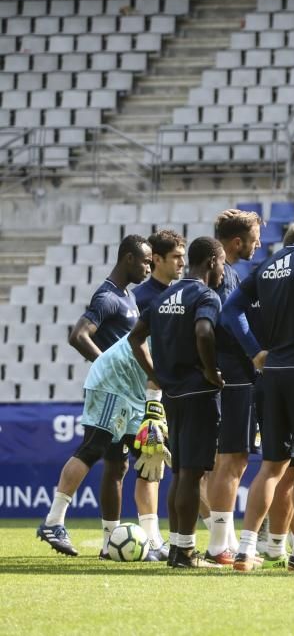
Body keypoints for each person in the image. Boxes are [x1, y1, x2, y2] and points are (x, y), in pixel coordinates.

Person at [223, 195, 294, 572]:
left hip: (271, 375)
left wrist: (255, 351)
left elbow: (231, 311)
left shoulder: (269, 262)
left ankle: (244, 549)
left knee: (272, 466)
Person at [37, 235, 153, 558]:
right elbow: (78, 335)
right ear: (128, 258)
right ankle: (53, 521)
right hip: (109, 390)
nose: (148, 267)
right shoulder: (107, 297)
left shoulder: (127, 298)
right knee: (91, 449)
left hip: (125, 394)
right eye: (144, 260)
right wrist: (106, 364)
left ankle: (109, 541)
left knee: (118, 465)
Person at [128, 236, 227, 568]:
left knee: (181, 472)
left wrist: (158, 374)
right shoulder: (205, 295)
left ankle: (176, 549)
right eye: (222, 263)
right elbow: (203, 331)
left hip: (173, 394)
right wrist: (212, 371)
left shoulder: (165, 295)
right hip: (198, 393)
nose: (224, 270)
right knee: (192, 474)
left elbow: (135, 337)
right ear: (212, 262)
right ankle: (184, 551)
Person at [203, 210, 263, 565]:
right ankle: (218, 547)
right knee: (233, 461)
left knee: (220, 463)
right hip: (235, 377)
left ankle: (219, 542)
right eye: (254, 239)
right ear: (237, 242)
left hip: (219, 377)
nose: (258, 245)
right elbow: (227, 320)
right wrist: (255, 353)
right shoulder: (227, 276)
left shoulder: (210, 275)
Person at [133, 230, 186, 314]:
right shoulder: (135, 299)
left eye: (182, 256)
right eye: (176, 257)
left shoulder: (184, 297)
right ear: (157, 259)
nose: (182, 263)